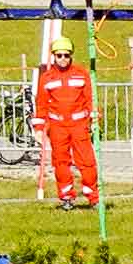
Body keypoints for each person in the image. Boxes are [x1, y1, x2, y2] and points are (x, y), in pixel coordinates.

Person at [34, 36, 99, 210]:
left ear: (71, 56)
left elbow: (90, 99)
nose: (63, 59)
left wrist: (94, 120)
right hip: (57, 127)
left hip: (79, 125)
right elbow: (41, 104)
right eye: (59, 55)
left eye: (66, 55)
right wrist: (39, 128)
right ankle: (66, 198)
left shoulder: (81, 74)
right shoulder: (47, 78)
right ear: (54, 56)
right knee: (61, 163)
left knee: (87, 162)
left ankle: (93, 197)